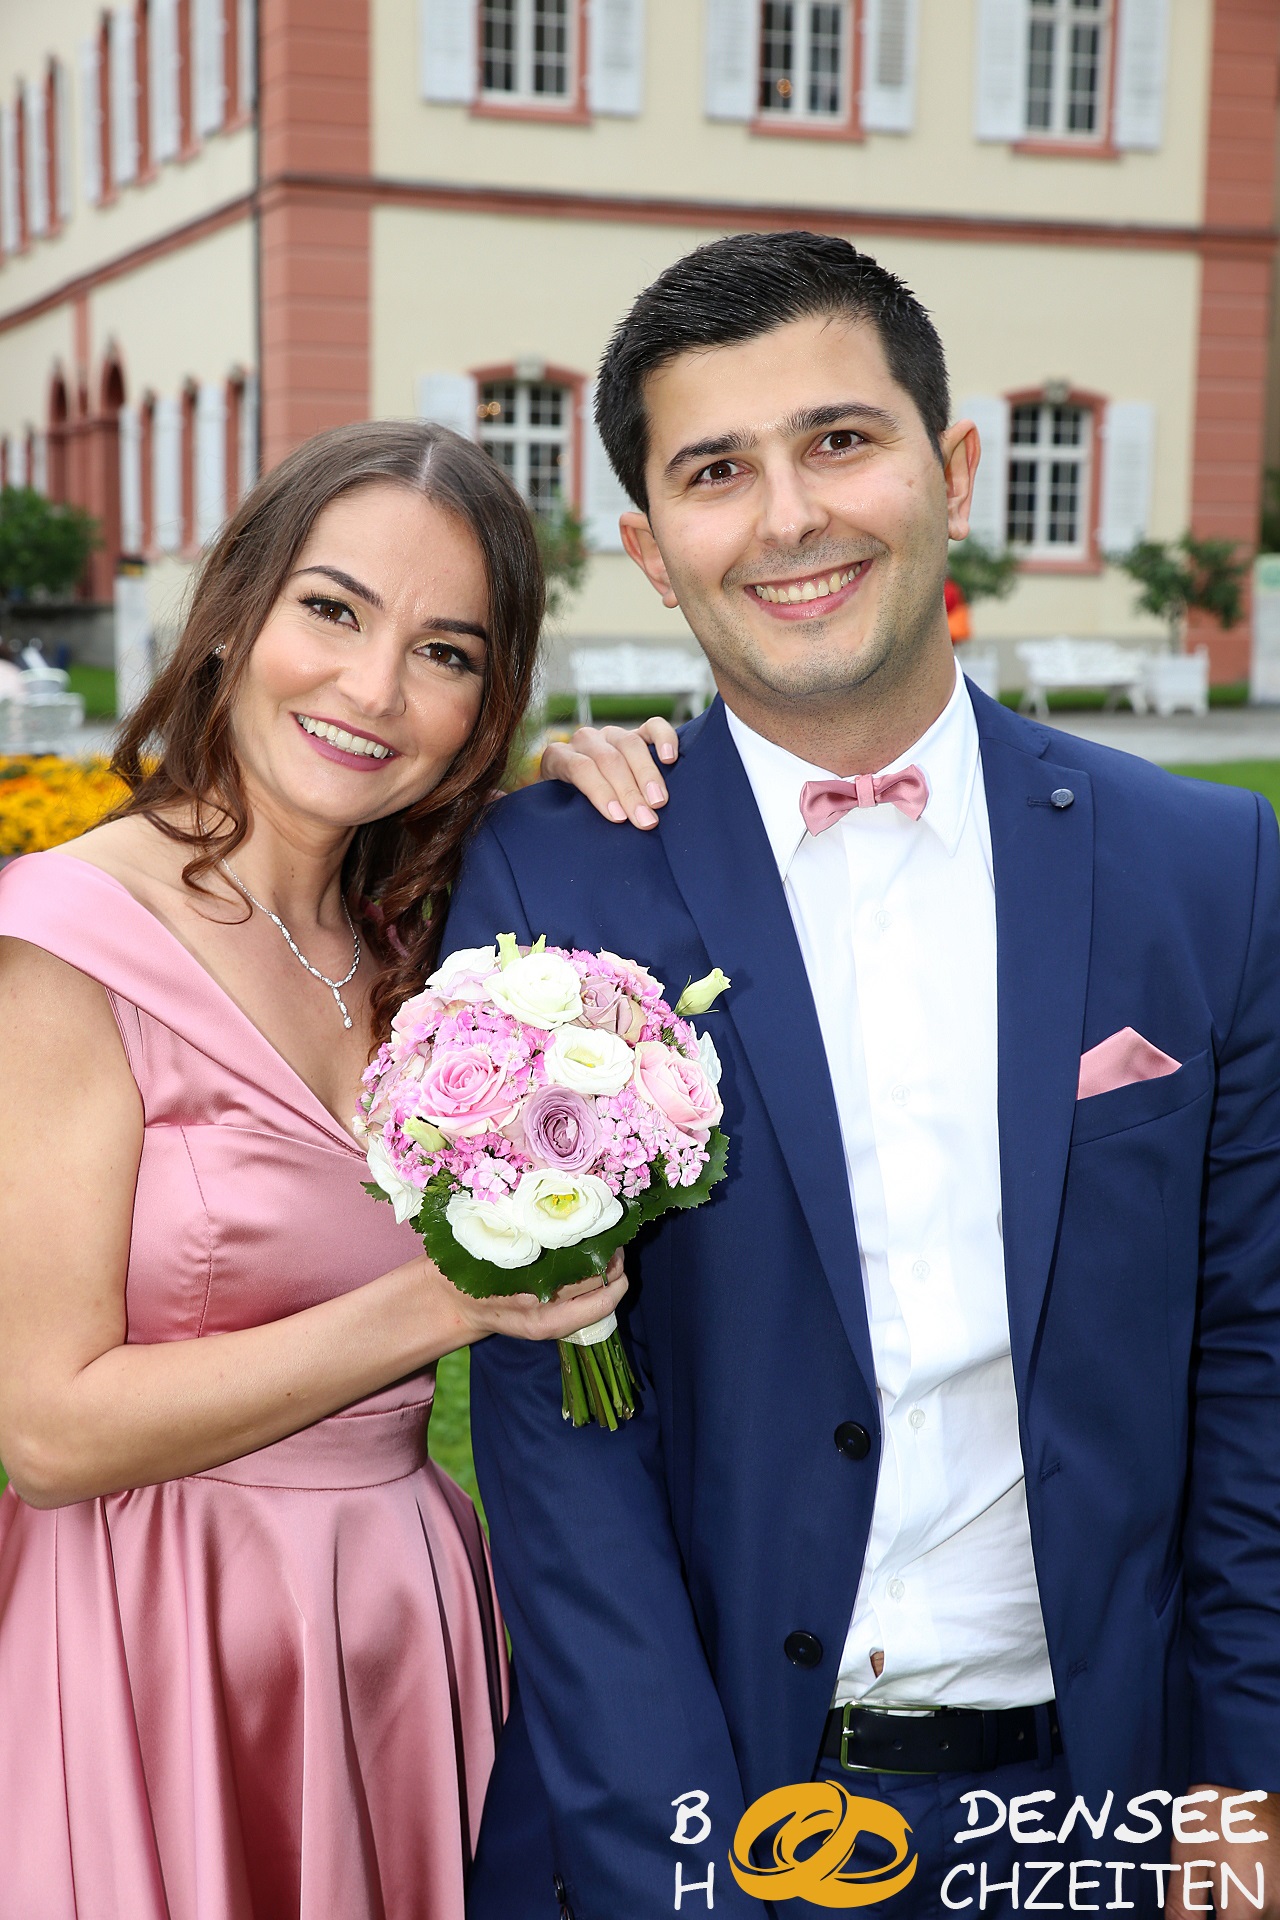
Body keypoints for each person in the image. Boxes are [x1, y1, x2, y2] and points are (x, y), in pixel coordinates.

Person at [447, 233, 1280, 1919]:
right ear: (652, 551)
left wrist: (1241, 1800)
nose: (790, 517)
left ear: (951, 470)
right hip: (728, 1791)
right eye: (715, 472)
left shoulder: (1212, 867)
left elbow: (1255, 1368)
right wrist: (674, 1869)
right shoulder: (551, 886)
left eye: (841, 441)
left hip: (1105, 1808)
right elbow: (557, 1441)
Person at [0, 418, 669, 1920]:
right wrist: (453, 1304)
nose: (374, 689)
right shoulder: (63, 942)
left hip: (401, 1621)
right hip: (158, 1631)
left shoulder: (435, 950)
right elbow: (44, 1430)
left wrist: (578, 796)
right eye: (334, 610)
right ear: (237, 607)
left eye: (446, 652)